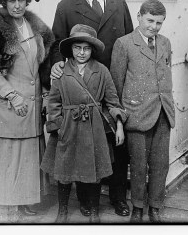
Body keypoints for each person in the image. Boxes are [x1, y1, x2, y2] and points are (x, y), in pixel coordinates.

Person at [50, 0, 134, 217]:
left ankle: (119, 196)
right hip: (82, 85)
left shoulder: (119, 4)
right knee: (86, 144)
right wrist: (57, 67)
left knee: (117, 144)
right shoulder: (66, 6)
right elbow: (56, 45)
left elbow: (130, 41)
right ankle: (86, 199)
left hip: (113, 83)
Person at [0, 0, 54, 222]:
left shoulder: (34, 27)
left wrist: (44, 89)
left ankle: (24, 201)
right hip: (10, 103)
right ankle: (6, 203)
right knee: (10, 154)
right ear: (4, 2)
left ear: (28, 1)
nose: (17, 5)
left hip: (33, 101)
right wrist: (13, 96)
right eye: (12, 0)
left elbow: (39, 65)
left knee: (29, 154)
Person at [41, 24, 127, 223]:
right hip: (67, 128)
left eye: (86, 48)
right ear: (70, 48)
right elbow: (54, 101)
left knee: (93, 171)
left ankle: (95, 213)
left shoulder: (102, 71)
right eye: (77, 47)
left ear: (92, 50)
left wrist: (120, 124)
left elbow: (113, 102)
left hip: (93, 128)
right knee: (64, 172)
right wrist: (58, 125)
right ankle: (62, 212)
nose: (81, 52)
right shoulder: (61, 71)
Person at [110, 0, 175, 223]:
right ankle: (137, 207)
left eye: (159, 23)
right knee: (138, 165)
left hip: (163, 114)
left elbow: (166, 76)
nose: (154, 27)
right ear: (139, 17)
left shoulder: (165, 43)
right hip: (136, 115)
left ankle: (155, 207)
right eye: (150, 21)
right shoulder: (124, 44)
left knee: (160, 164)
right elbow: (116, 86)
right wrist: (119, 119)